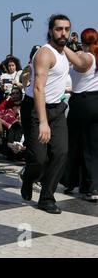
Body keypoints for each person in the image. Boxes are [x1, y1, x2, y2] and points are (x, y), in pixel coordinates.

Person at [20, 14, 71, 214]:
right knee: (39, 160)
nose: (63, 33)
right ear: (50, 30)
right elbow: (38, 88)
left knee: (61, 152)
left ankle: (47, 197)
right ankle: (28, 177)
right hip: (35, 107)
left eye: (67, 29)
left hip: (56, 108)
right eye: (59, 29)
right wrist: (43, 122)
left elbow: (83, 65)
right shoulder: (45, 53)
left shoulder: (65, 52)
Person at [61, 28, 98, 201]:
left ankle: (75, 183)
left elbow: (79, 62)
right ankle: (86, 185)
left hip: (83, 102)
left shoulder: (87, 56)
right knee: (92, 146)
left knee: (75, 143)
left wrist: (61, 44)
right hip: (94, 101)